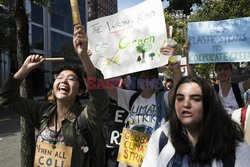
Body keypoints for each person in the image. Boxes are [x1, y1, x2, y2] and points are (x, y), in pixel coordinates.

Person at [0, 24, 109, 167]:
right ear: (53, 86)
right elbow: (6, 98)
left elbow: (100, 95)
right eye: (59, 77)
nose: (63, 80)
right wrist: (23, 70)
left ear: (81, 91)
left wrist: (83, 57)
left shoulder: (87, 118)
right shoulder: (43, 113)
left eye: (71, 79)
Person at [142, 76, 250, 167]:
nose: (186, 104)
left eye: (195, 99)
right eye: (180, 98)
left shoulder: (235, 148)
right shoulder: (161, 136)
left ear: (209, 104)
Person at [107, 45, 181, 135]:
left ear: (156, 80)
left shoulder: (163, 98)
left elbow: (177, 88)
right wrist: (92, 62)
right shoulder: (131, 97)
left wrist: (175, 62)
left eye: (150, 78)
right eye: (143, 78)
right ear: (138, 80)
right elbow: (104, 87)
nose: (146, 81)